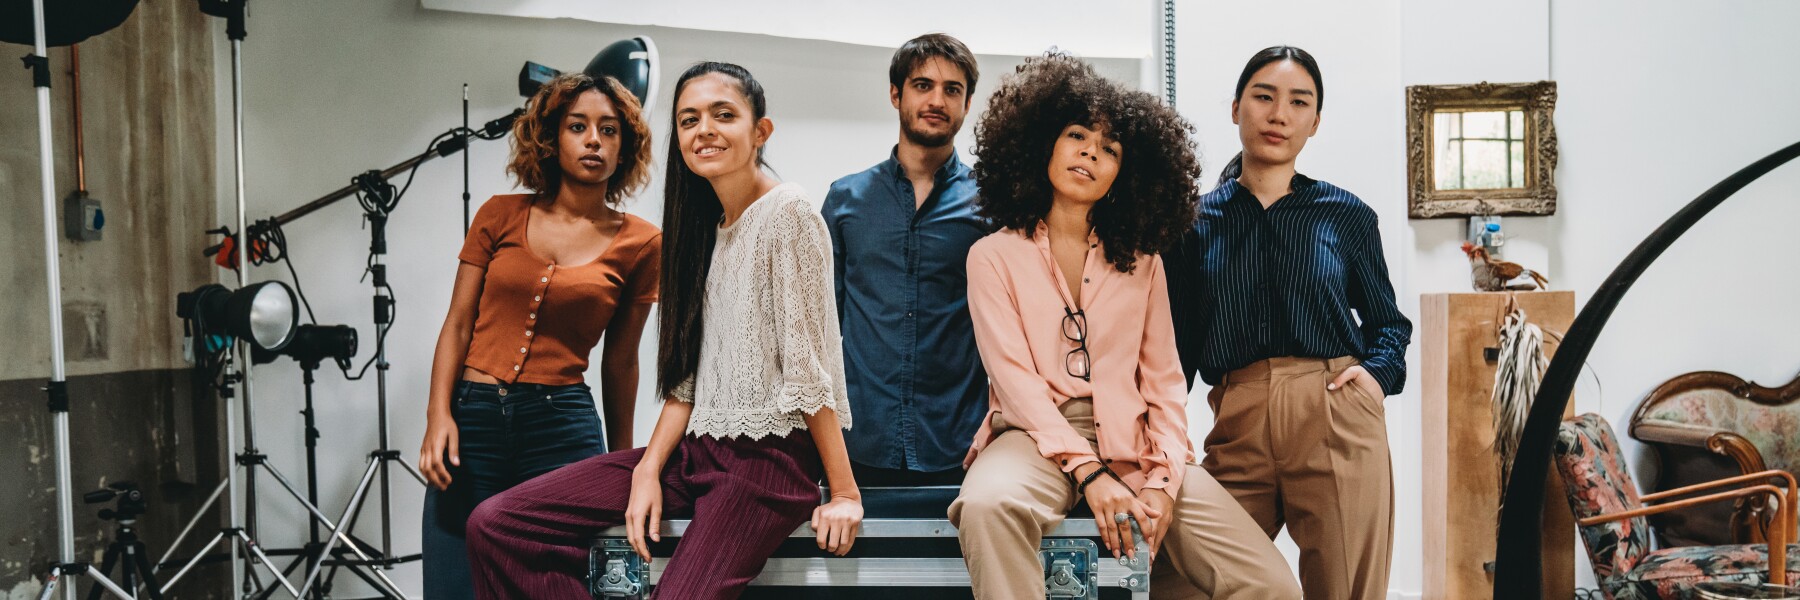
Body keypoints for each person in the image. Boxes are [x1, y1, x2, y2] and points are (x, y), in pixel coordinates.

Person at [463, 62, 864, 600]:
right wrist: (648, 469)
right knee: (496, 524)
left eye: (724, 115)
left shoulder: (788, 213)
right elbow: (688, 379)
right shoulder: (706, 230)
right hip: (697, 455)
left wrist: (843, 492)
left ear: (760, 131)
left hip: (764, 470)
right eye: (689, 119)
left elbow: (809, 371)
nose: (704, 130)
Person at [949, 53, 1300, 600]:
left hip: (1136, 444)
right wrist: (1089, 473)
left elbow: (1164, 382)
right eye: (1076, 135)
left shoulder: (1143, 261)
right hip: (1032, 437)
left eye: (1109, 148)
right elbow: (1015, 384)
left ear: (1123, 175)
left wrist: (1161, 484)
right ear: (1044, 144)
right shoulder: (990, 257)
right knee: (986, 505)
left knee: (1272, 583)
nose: (1090, 150)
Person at [1163, 45, 1414, 600]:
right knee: (1184, 584)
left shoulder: (1346, 215)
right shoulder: (1195, 224)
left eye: (1298, 102)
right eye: (1264, 97)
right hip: (1236, 420)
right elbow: (1177, 346)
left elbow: (1388, 324)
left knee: (1345, 588)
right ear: (1235, 109)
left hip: (1334, 413)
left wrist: (1373, 379)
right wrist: (1160, 428)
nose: (1279, 114)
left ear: (1314, 123)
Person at [415, 72, 658, 600]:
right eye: (579, 126)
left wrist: (625, 467)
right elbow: (457, 323)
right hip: (472, 422)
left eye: (610, 130)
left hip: (561, 429)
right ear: (552, 138)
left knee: (554, 587)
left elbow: (621, 363)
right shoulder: (500, 214)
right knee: (455, 583)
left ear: (625, 148)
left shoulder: (642, 242)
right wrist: (439, 415)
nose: (594, 140)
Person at [823, 33, 988, 486]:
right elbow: (819, 328)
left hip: (961, 443)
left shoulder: (992, 205)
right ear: (896, 94)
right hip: (858, 442)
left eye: (952, 89)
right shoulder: (845, 200)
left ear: (967, 103)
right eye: (923, 85)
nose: (937, 99)